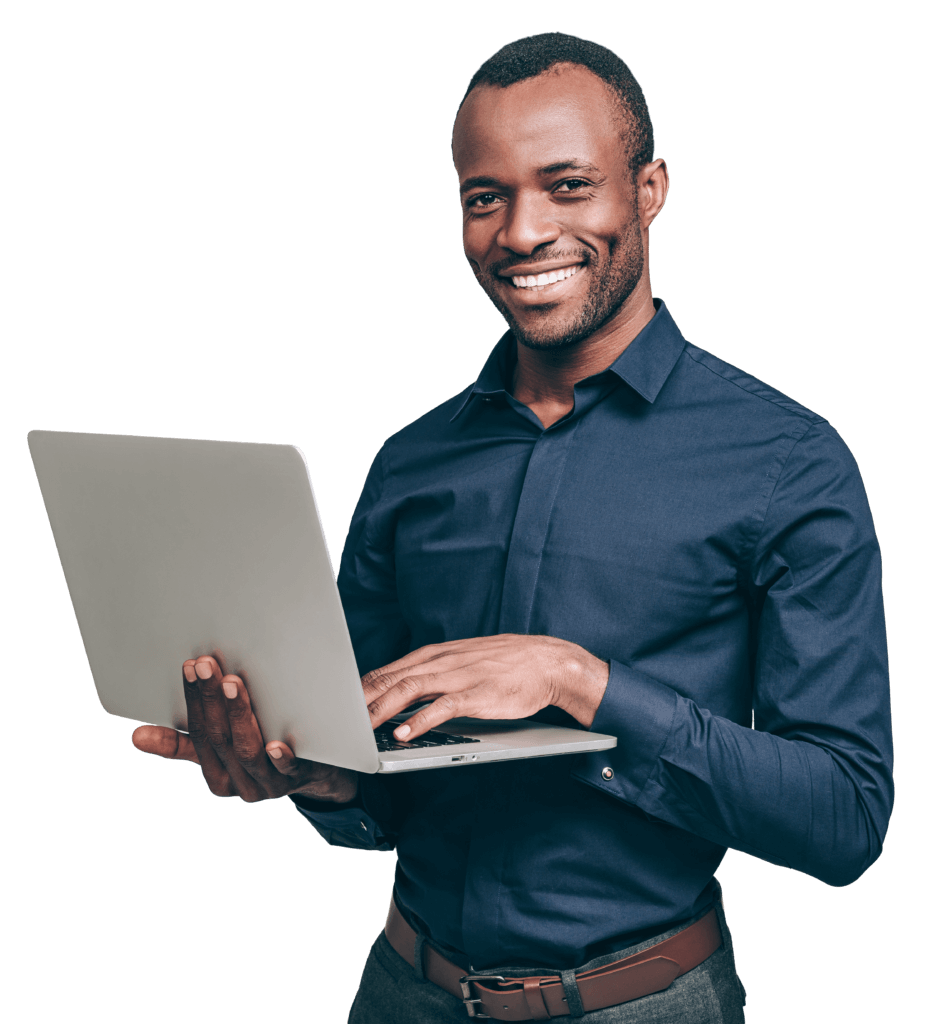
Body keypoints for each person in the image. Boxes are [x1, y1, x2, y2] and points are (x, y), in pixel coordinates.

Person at [131, 33, 892, 1023]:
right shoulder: (411, 460)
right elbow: (380, 790)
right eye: (483, 196)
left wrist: (579, 684)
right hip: (401, 987)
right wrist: (314, 777)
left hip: (643, 1003)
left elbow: (843, 818)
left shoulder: (788, 460)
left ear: (650, 188)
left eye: (567, 185)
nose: (520, 232)